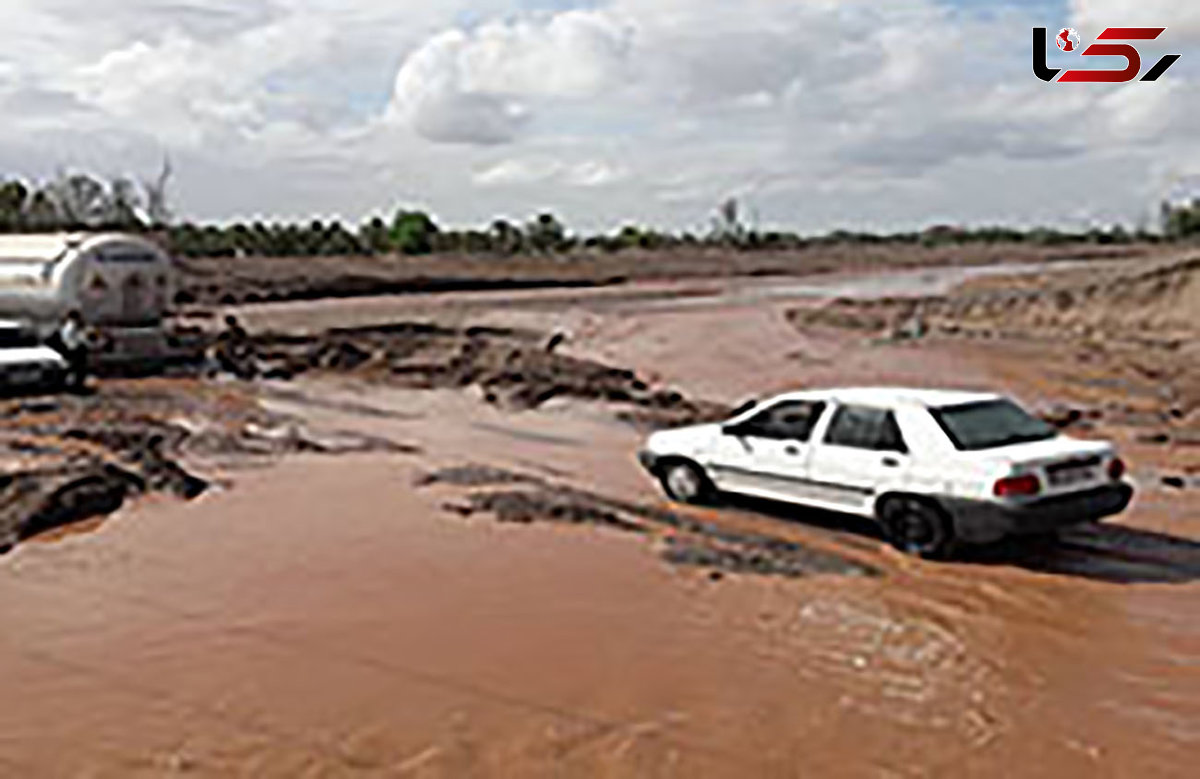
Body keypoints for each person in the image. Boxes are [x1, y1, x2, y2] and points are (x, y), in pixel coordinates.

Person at [54, 311, 91, 391]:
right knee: (73, 368)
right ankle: (73, 384)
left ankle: (71, 384)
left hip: (72, 350)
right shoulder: (73, 325)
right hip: (74, 350)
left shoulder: (70, 325)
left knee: (71, 368)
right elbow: (69, 337)